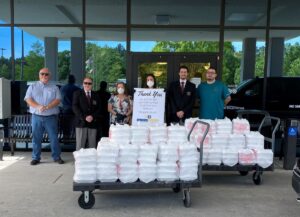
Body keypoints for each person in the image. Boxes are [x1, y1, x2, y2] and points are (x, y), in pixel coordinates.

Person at [24, 68, 64, 165]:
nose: (44, 76)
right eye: (42, 74)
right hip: (36, 117)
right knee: (36, 138)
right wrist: (38, 106)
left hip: (51, 117)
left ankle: (56, 157)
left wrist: (47, 107)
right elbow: (28, 99)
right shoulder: (32, 86)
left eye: (46, 74)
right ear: (39, 75)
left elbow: (58, 100)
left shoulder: (54, 87)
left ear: (49, 76)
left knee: (54, 138)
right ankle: (36, 158)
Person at [72, 77, 102, 150]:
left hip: (93, 122)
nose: (87, 85)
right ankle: (79, 161)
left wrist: (92, 116)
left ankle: (91, 160)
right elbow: (75, 107)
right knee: (80, 145)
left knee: (92, 145)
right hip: (81, 122)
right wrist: (84, 117)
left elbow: (99, 108)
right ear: (83, 84)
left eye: (89, 83)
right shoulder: (77, 93)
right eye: (85, 83)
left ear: (92, 85)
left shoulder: (96, 95)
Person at [60, 74, 80, 139]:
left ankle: (66, 137)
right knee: (77, 124)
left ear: (67, 80)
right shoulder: (77, 89)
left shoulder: (62, 88)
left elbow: (60, 99)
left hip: (66, 110)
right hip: (75, 110)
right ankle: (76, 137)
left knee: (66, 125)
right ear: (74, 80)